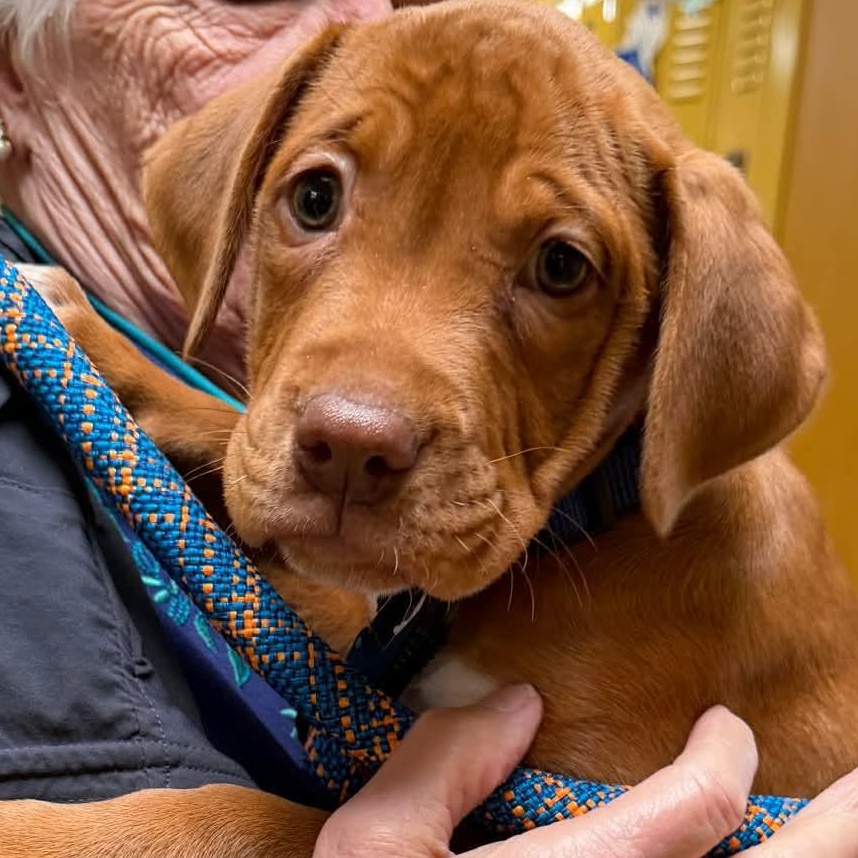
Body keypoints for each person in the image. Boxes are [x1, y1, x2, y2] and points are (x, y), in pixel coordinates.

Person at [0, 1, 855, 855]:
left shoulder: (693, 582)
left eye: (559, 268)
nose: (366, 420)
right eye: (318, 198)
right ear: (13, 75)